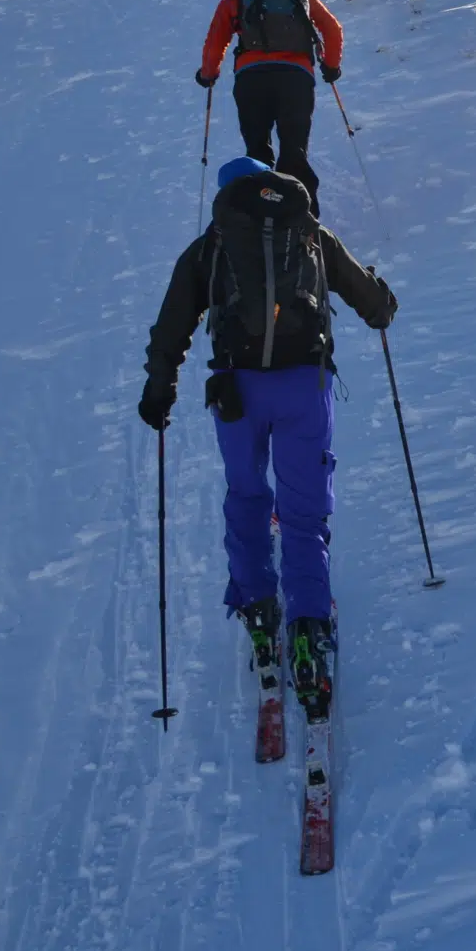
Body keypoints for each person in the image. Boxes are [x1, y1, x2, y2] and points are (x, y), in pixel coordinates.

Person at [137, 157, 396, 714]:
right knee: (303, 511)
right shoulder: (307, 231)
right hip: (304, 383)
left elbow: (172, 322)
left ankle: (258, 608)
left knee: (248, 497)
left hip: (237, 391)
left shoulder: (212, 244)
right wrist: (381, 303)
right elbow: (369, 301)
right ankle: (308, 624)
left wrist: (160, 389)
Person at [196, 0, 344, 209]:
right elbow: (332, 29)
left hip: (251, 78)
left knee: (257, 149)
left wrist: (208, 74)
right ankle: (305, 220)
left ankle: (260, 215)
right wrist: (331, 67)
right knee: (294, 148)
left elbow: (214, 43)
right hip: (296, 78)